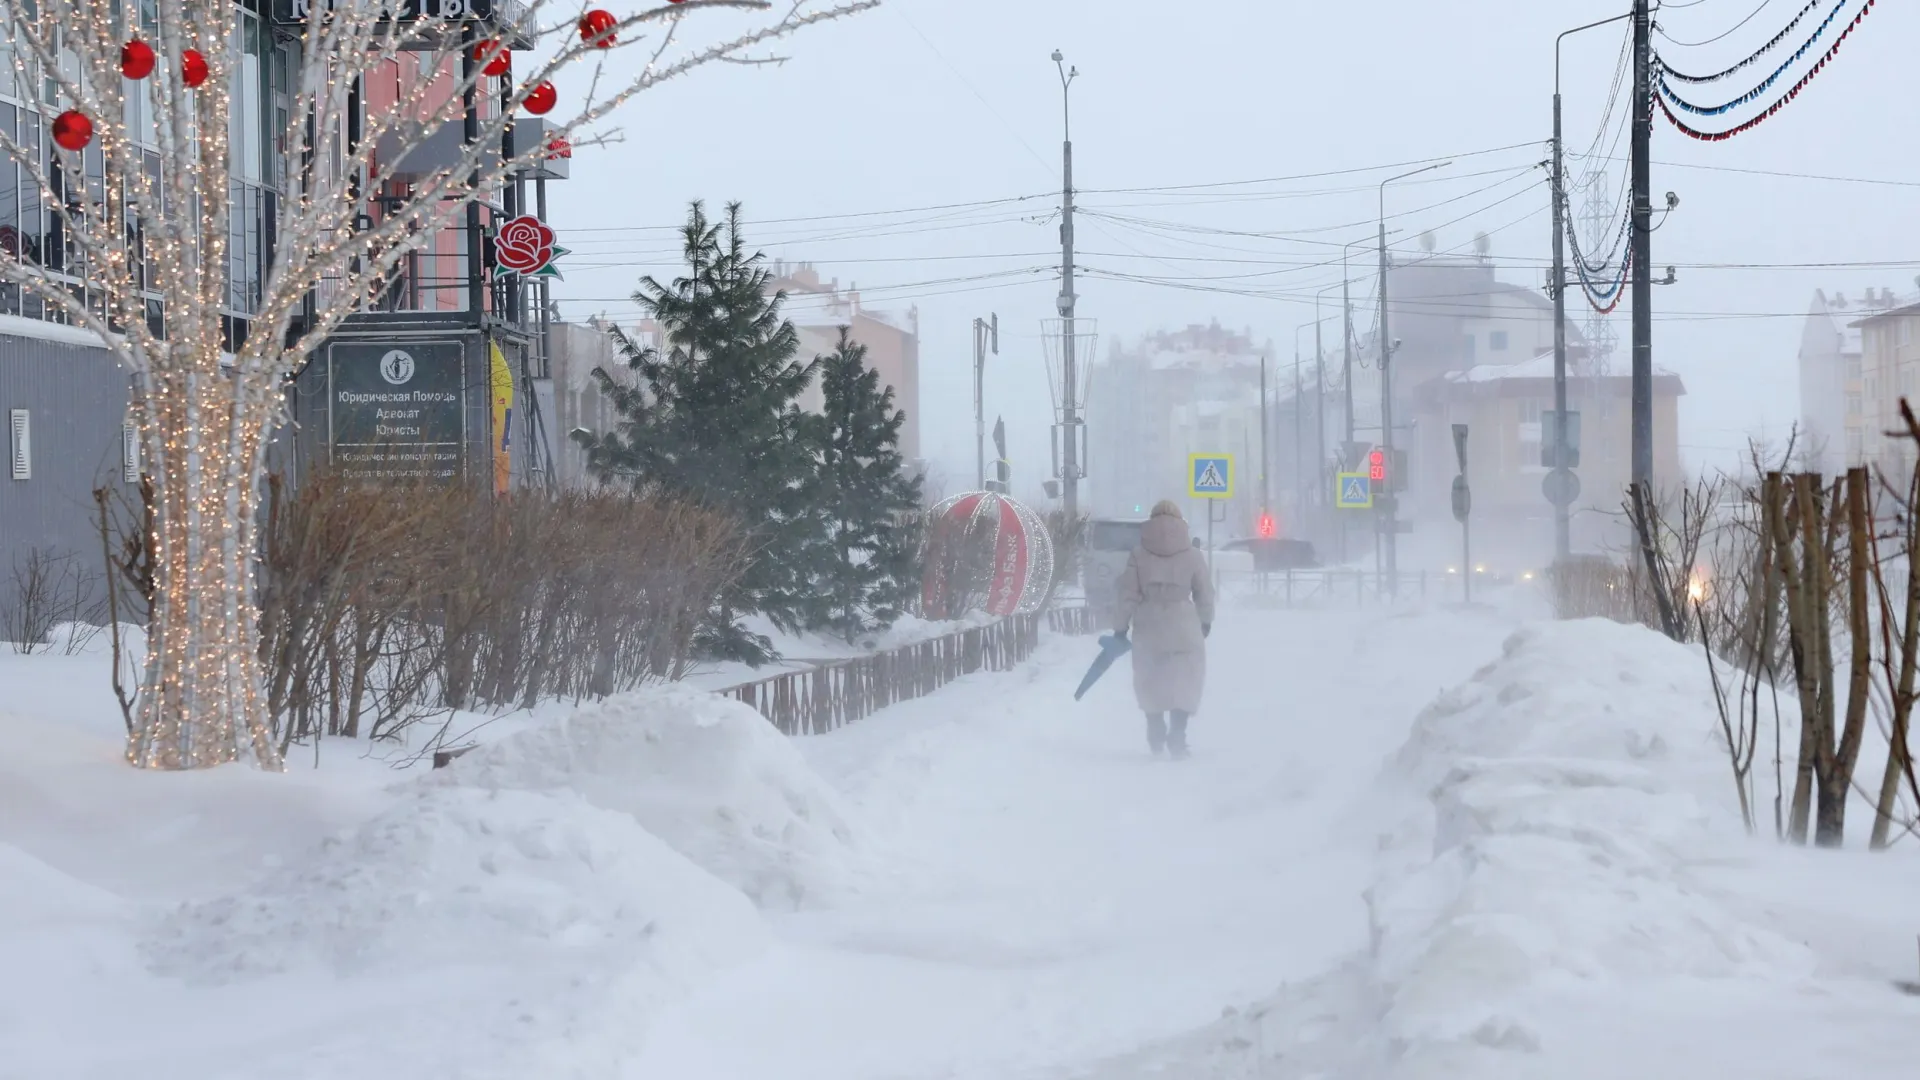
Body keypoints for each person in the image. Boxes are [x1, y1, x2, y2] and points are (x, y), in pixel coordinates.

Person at [1111, 499, 1215, 759]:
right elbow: (1204, 591)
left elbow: (1128, 594)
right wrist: (1205, 619)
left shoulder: (1138, 554)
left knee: (1150, 675)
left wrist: (1120, 627)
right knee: (1186, 678)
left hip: (1149, 624)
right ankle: (1178, 734)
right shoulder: (1192, 554)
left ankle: (1155, 726)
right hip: (1184, 623)